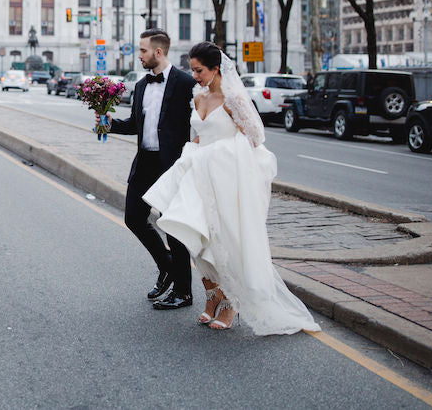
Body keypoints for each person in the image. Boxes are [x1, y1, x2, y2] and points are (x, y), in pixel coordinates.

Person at [144, 42, 319, 334]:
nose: (195, 75)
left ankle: (229, 302)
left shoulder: (234, 98)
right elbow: (198, 137)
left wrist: (220, 156)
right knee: (195, 239)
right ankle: (212, 295)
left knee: (221, 241)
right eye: (192, 69)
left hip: (225, 177)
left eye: (199, 70)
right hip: (197, 175)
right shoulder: (198, 97)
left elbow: (255, 137)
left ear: (215, 69)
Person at [105, 29, 197, 310]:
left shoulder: (185, 83)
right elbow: (135, 123)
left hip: (171, 165)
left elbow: (200, 120)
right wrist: (109, 124)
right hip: (144, 161)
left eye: (143, 51)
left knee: (171, 227)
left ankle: (183, 292)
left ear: (158, 52)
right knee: (133, 217)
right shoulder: (143, 85)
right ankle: (167, 266)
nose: (139, 56)